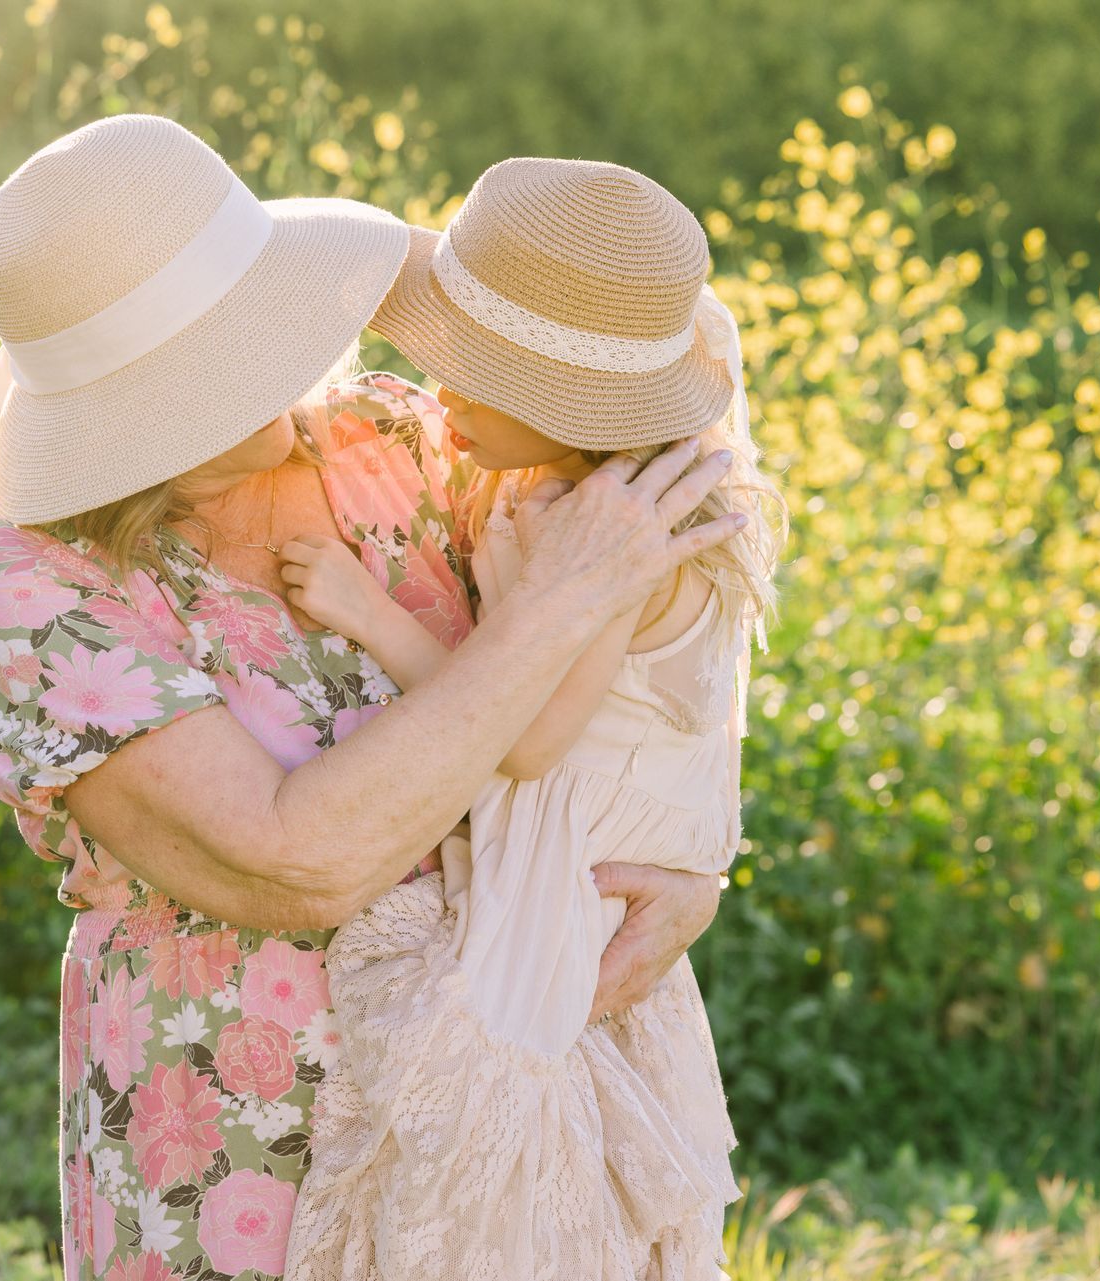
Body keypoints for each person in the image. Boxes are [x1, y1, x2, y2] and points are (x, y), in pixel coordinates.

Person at [0, 116, 742, 1279]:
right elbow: (297, 862)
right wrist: (548, 616)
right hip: (243, 1113)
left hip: (519, 1061)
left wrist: (692, 853)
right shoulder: (40, 587)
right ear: (146, 410)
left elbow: (641, 438)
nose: (298, 355)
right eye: (242, 347)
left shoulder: (388, 437)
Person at [280, 158, 787, 1280]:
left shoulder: (609, 534)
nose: (439, 392)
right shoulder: (605, 485)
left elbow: (528, 734)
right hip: (571, 866)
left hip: (554, 890)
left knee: (502, 1201)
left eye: (474, 380)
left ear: (570, 412)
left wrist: (367, 613)